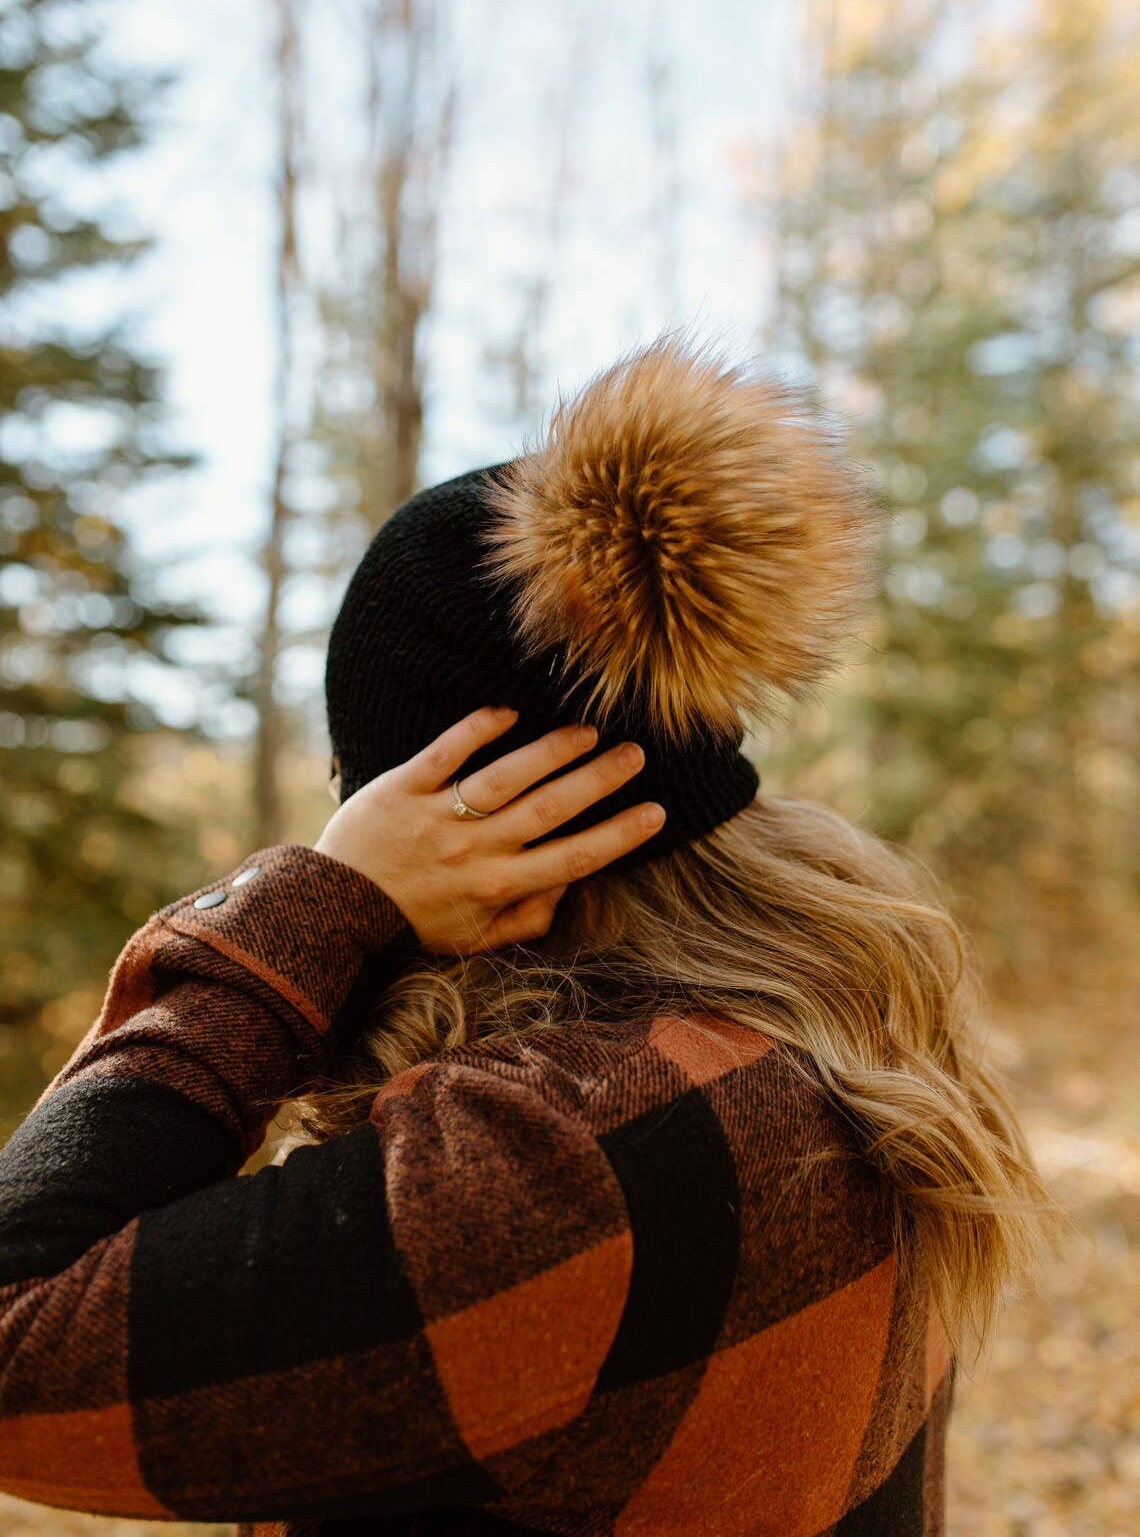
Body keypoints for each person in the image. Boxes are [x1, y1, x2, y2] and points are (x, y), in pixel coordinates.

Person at [0, 333, 1053, 1536]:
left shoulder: (554, 1158)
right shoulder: (844, 1037)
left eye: (362, 806)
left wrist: (326, 895)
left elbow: (15, 1334)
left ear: (446, 819)